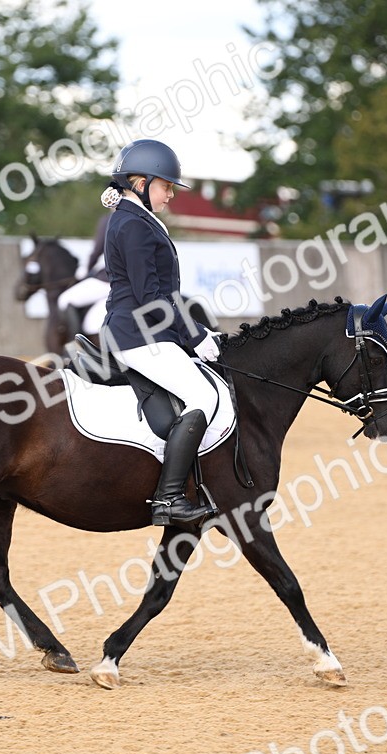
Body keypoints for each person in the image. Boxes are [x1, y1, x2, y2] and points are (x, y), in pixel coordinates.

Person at [99, 139, 220, 530]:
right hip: (137, 333)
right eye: (165, 186)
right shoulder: (132, 224)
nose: (170, 194)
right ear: (139, 182)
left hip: (147, 330)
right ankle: (168, 498)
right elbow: (152, 297)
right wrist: (195, 335)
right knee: (204, 395)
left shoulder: (136, 218)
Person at [56, 212, 112, 336]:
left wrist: (86, 270)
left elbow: (98, 249)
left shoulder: (110, 218)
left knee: (64, 300)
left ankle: (76, 342)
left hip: (108, 279)